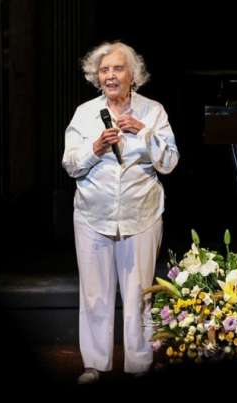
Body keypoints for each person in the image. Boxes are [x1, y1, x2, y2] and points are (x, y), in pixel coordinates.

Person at [62, 41, 180, 384]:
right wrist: (94, 148)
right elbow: (70, 165)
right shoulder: (85, 113)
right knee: (95, 294)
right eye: (104, 70)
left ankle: (139, 365)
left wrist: (143, 134)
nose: (110, 75)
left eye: (117, 69)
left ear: (133, 75)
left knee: (139, 293)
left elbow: (170, 162)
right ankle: (94, 365)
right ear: (97, 77)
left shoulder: (152, 112)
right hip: (92, 216)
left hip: (141, 214)